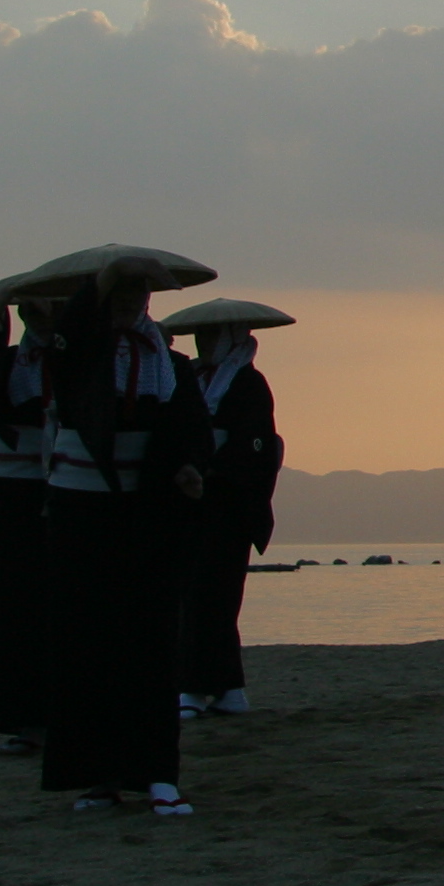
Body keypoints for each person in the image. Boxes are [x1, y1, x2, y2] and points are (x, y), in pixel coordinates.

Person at [38, 255, 213, 816]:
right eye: (117, 296)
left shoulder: (171, 363)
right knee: (86, 644)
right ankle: (97, 776)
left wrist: (188, 466)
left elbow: (191, 428)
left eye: (136, 296)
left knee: (152, 644)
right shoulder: (78, 357)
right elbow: (69, 337)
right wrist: (100, 283)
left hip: (149, 516)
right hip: (81, 512)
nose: (128, 306)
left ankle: (158, 774)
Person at [164, 298, 291, 718]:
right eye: (201, 334)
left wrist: (210, 464)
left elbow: (254, 448)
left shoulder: (249, 384)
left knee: (212, 598)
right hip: (194, 501)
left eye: (212, 334)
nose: (204, 342)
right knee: (194, 597)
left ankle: (197, 689)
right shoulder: (195, 377)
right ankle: (227, 688)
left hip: (228, 505)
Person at [0, 290, 61, 755]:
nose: (39, 317)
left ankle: (63, 717)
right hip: (3, 488)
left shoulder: (83, 356)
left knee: (58, 605)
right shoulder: (4, 362)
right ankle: (24, 721)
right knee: (7, 605)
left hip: (61, 484)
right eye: (33, 309)